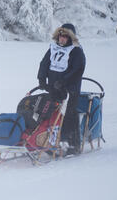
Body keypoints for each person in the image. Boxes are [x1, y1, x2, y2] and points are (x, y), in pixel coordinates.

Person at [37, 23, 86, 155]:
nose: (62, 39)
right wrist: (42, 79)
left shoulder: (76, 51)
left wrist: (64, 81)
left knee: (69, 115)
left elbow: (77, 70)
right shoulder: (53, 48)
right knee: (50, 113)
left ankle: (72, 145)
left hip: (71, 90)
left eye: (65, 36)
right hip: (54, 88)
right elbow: (44, 63)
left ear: (70, 38)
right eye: (60, 36)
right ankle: (49, 141)